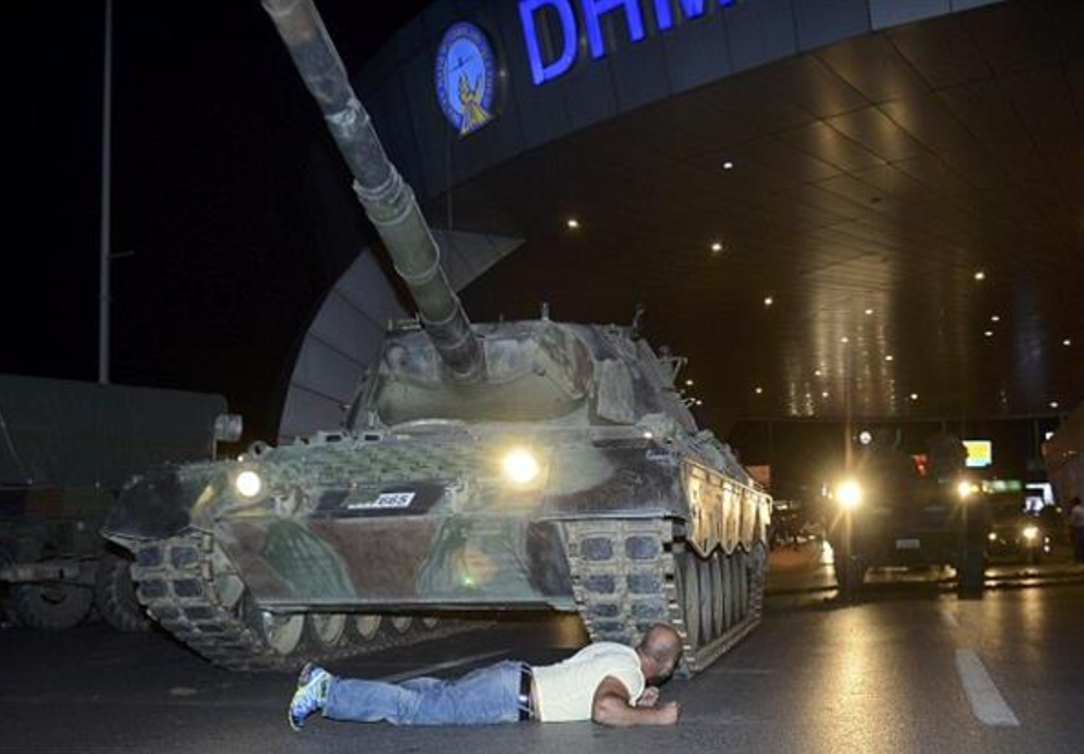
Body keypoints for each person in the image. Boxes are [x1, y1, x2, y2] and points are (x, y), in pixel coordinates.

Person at [288, 623, 683, 729]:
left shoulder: (617, 652)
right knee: (414, 710)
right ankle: (329, 692)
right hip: (507, 697)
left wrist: (635, 700)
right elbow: (604, 709)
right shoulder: (628, 673)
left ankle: (332, 685)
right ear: (665, 667)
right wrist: (656, 716)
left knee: (429, 695)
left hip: (512, 676)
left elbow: (589, 681)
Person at [1070, 498, 1084, 563]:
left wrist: (1071, 528)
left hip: (1078, 528)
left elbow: (1073, 521)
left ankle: (1077, 558)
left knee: (1077, 544)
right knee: (1082, 543)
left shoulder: (1074, 510)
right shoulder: (1082, 509)